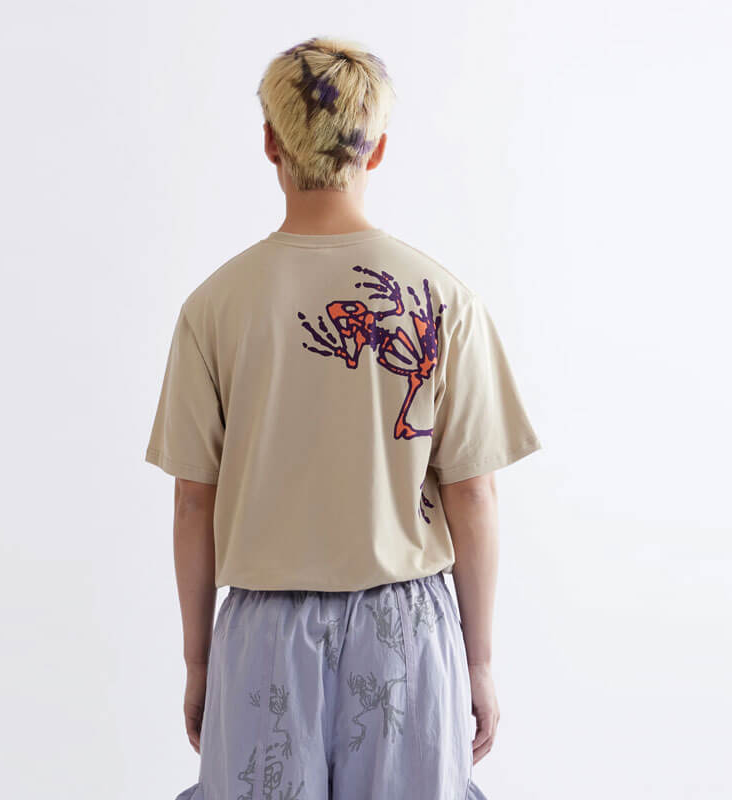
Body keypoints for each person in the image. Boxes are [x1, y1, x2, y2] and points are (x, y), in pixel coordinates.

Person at [145, 36, 542, 800]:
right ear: (378, 148)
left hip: (264, 631)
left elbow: (193, 499)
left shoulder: (215, 307)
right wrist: (480, 660)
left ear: (271, 142)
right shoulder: (443, 300)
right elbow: (473, 492)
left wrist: (198, 661)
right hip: (406, 633)